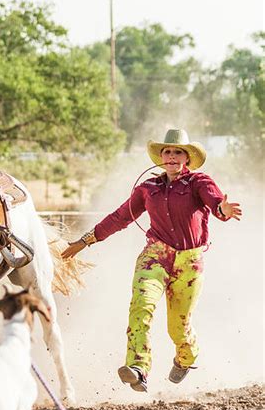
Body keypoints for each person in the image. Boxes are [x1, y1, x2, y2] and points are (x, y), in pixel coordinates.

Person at [62, 129, 242, 393]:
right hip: (155, 256)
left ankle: (186, 356)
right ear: (160, 156)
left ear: (187, 158)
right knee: (141, 305)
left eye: (177, 152)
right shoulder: (148, 189)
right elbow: (120, 217)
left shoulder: (199, 182)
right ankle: (137, 368)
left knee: (178, 327)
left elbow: (216, 204)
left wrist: (222, 210)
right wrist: (85, 240)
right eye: (167, 152)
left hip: (190, 263)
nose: (171, 156)